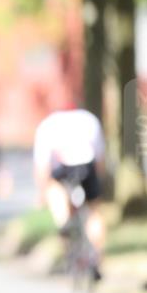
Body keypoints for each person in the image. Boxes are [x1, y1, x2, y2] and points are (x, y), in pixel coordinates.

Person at [32, 108, 106, 280]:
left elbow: (42, 168)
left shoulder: (47, 126)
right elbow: (99, 159)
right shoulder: (89, 119)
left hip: (63, 169)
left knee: (56, 192)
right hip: (87, 167)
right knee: (94, 213)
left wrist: (42, 194)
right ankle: (97, 256)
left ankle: (64, 223)